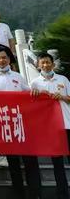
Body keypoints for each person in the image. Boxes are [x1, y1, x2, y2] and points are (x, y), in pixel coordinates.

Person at [0, 46, 41, 198]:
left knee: (30, 161)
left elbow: (27, 93)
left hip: (21, 123)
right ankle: (19, 193)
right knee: (13, 163)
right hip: (5, 124)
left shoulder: (17, 76)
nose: (1, 60)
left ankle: (35, 193)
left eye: (4, 57)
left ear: (9, 58)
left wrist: (33, 92)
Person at [30, 53, 70, 199]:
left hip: (67, 123)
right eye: (43, 63)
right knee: (57, 162)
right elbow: (32, 106)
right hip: (51, 127)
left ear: (53, 64)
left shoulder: (63, 79)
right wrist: (34, 94)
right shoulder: (34, 83)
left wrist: (63, 97)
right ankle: (63, 193)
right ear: (38, 65)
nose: (46, 65)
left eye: (48, 62)